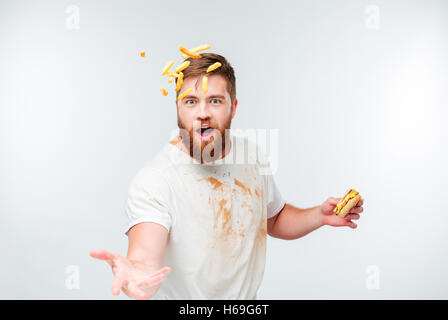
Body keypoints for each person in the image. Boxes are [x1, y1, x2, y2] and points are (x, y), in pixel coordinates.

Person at [90, 53, 364, 300]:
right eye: (191, 101)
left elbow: (274, 218)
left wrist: (319, 215)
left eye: (215, 101)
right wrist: (135, 275)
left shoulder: (252, 157)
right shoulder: (154, 180)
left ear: (233, 107)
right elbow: (145, 259)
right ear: (178, 108)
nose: (203, 113)